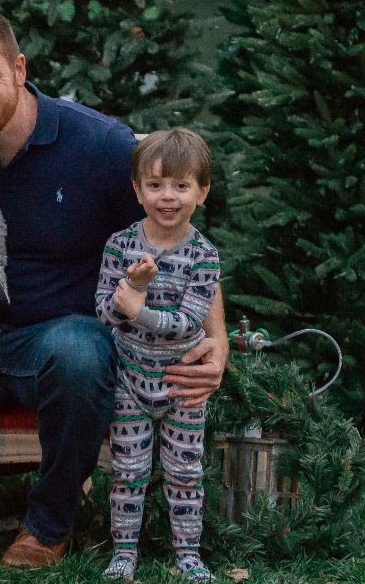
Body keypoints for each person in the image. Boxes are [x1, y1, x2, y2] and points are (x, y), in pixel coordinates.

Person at [0, 8, 228, 568]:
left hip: (53, 340)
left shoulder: (96, 144)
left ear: (20, 68)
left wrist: (214, 338)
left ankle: (47, 526)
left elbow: (180, 240)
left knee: (81, 351)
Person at [95, 128, 219, 582]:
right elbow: (106, 312)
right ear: (137, 189)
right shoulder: (119, 245)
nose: (167, 197)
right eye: (155, 185)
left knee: (185, 470)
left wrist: (140, 308)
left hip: (182, 381)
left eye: (181, 186)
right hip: (130, 376)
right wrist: (133, 289)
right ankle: (123, 553)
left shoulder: (204, 256)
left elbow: (190, 322)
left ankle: (189, 554)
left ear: (201, 193)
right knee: (128, 470)